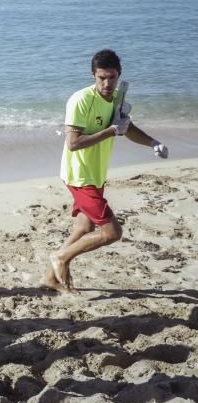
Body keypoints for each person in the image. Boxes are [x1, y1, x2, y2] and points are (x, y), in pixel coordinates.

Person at [43, 49, 168, 294]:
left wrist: (153, 142)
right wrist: (112, 130)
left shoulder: (118, 98)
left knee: (83, 229)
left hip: (96, 173)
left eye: (112, 77)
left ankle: (50, 279)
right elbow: (74, 143)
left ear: (119, 75)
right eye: (102, 77)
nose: (107, 83)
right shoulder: (80, 100)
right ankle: (60, 257)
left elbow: (127, 128)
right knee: (112, 233)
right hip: (80, 175)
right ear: (93, 76)